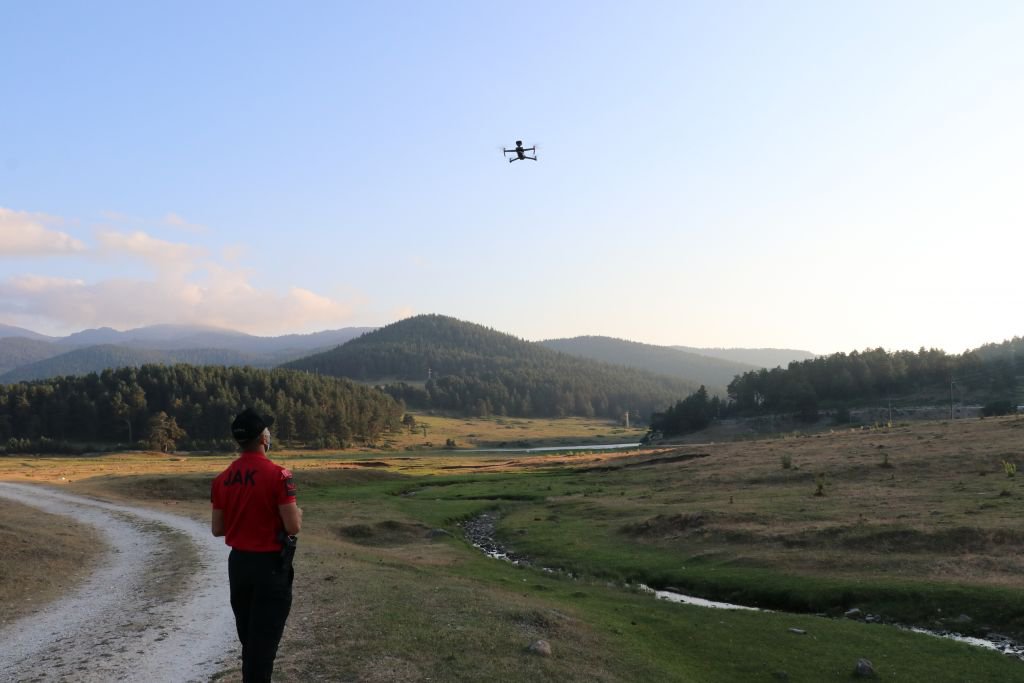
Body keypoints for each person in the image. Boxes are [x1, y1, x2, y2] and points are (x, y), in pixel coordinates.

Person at [211, 408, 302, 682]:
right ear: (263, 437)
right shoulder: (280, 475)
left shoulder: (222, 479)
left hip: (239, 566)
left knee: (251, 642)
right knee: (263, 650)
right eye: (267, 431)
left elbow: (218, 529)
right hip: (270, 568)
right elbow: (292, 526)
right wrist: (299, 514)